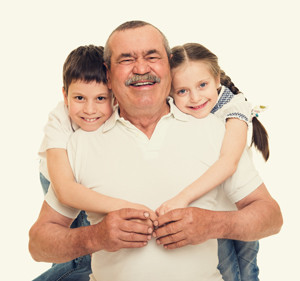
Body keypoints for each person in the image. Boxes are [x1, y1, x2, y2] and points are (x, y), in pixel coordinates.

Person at [29, 21, 282, 281]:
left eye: (152, 56)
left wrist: (213, 224)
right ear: (108, 72)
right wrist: (96, 236)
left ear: (169, 65)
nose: (141, 68)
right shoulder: (79, 143)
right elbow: (38, 244)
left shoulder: (216, 131)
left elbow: (271, 216)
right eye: (126, 59)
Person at [35, 44, 155, 281]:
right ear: (65, 95)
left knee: (71, 254)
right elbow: (66, 190)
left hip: (88, 178)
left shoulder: (124, 107)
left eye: (101, 98)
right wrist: (123, 207)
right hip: (59, 180)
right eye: (79, 98)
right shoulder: (58, 121)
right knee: (82, 259)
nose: (89, 110)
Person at [155, 42, 269, 280]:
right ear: (170, 92)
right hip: (211, 213)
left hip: (239, 211)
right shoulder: (175, 114)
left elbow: (229, 162)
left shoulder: (234, 108)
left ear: (217, 80)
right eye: (182, 91)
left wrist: (181, 198)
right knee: (226, 271)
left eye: (202, 85)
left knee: (247, 271)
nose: (195, 98)